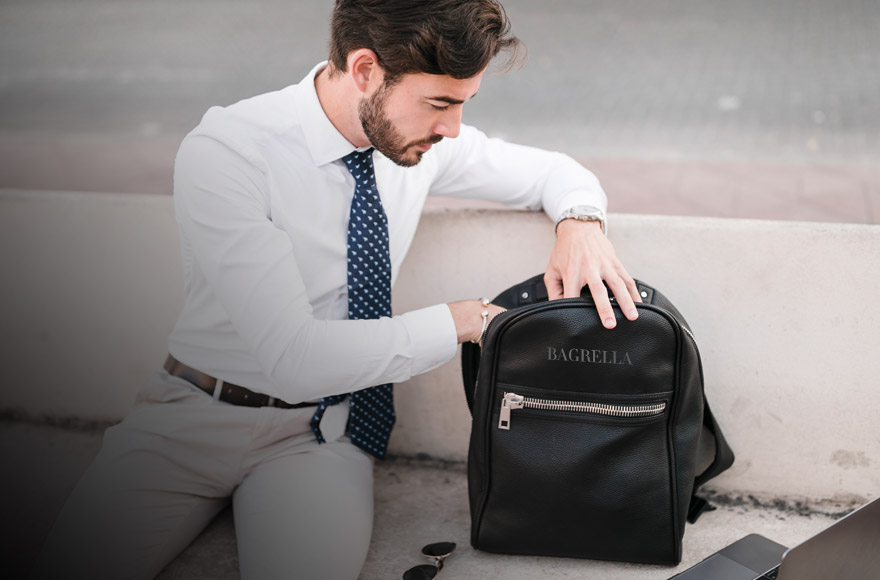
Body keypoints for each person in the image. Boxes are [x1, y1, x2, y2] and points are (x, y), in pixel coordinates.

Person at [33, 1, 641, 579]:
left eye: (464, 104)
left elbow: (555, 172)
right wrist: (466, 320)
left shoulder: (418, 145)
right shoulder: (230, 153)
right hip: (188, 419)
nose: (453, 129)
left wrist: (580, 224)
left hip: (321, 436)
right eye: (439, 103)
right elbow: (293, 359)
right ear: (365, 69)